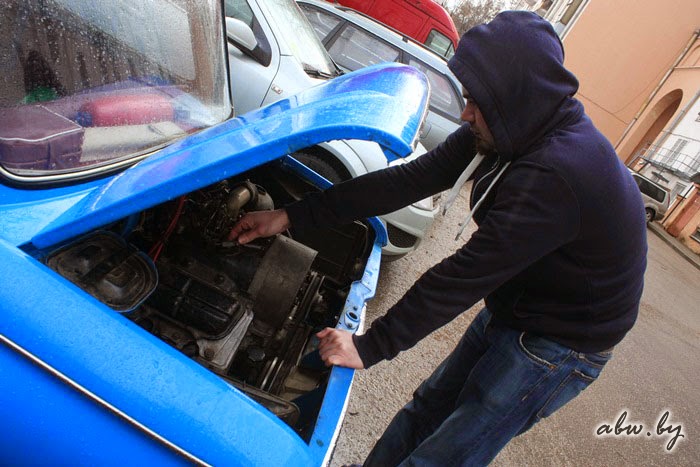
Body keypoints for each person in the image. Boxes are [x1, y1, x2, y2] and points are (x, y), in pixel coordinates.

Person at [229, 11, 647, 466]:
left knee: (446, 454)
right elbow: (405, 182)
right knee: (424, 411)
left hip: (561, 343)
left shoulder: (558, 172)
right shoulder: (510, 127)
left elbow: (464, 275)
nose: (466, 114)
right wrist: (289, 216)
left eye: (475, 103)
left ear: (512, 100)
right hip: (518, 305)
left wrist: (370, 345)